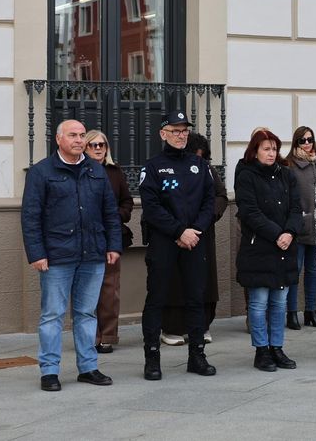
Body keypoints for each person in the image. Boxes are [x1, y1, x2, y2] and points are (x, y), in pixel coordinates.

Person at [21, 119, 122, 391]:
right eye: (73, 135)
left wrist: (113, 245)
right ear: (59, 139)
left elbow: (110, 212)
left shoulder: (96, 171)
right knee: (52, 315)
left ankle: (88, 367)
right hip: (56, 257)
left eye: (81, 136)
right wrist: (36, 253)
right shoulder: (41, 172)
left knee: (87, 314)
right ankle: (50, 372)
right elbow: (31, 217)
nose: (79, 140)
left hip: (92, 254)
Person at [138, 110, 218, 381]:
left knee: (196, 298)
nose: (181, 135)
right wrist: (178, 231)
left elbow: (210, 200)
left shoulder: (200, 166)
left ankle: (197, 356)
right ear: (163, 133)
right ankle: (152, 358)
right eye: (175, 130)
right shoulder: (152, 167)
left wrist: (194, 230)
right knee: (157, 299)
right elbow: (151, 207)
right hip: (165, 242)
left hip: (194, 241)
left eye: (184, 130)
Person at [235, 129, 300, 372]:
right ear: (255, 150)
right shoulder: (246, 175)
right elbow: (250, 212)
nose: (271, 153)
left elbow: (296, 208)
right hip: (259, 248)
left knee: (279, 302)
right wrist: (277, 234)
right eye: (266, 149)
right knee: (259, 302)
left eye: (274, 149)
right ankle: (261, 350)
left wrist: (290, 233)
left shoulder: (286, 175)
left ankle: (277, 347)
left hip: (284, 247)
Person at [160, 132, 228, 345]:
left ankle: (201, 325)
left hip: (201, 235)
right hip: (174, 235)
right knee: (175, 282)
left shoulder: (207, 170)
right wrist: (180, 229)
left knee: (203, 282)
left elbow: (220, 196)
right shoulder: (164, 167)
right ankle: (172, 328)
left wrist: (203, 221)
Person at [85, 130, 134, 354]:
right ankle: (89, 336)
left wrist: (115, 216)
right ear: (85, 148)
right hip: (85, 238)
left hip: (111, 237)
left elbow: (127, 202)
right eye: (93, 145)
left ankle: (107, 336)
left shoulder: (115, 172)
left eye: (101, 145)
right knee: (86, 290)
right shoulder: (79, 170)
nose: (98, 148)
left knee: (109, 290)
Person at [285, 126, 316, 329]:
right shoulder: (289, 165)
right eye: (302, 140)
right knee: (295, 270)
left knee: (314, 271)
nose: (307, 143)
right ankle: (291, 312)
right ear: (296, 142)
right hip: (298, 226)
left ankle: (311, 311)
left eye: (310, 139)